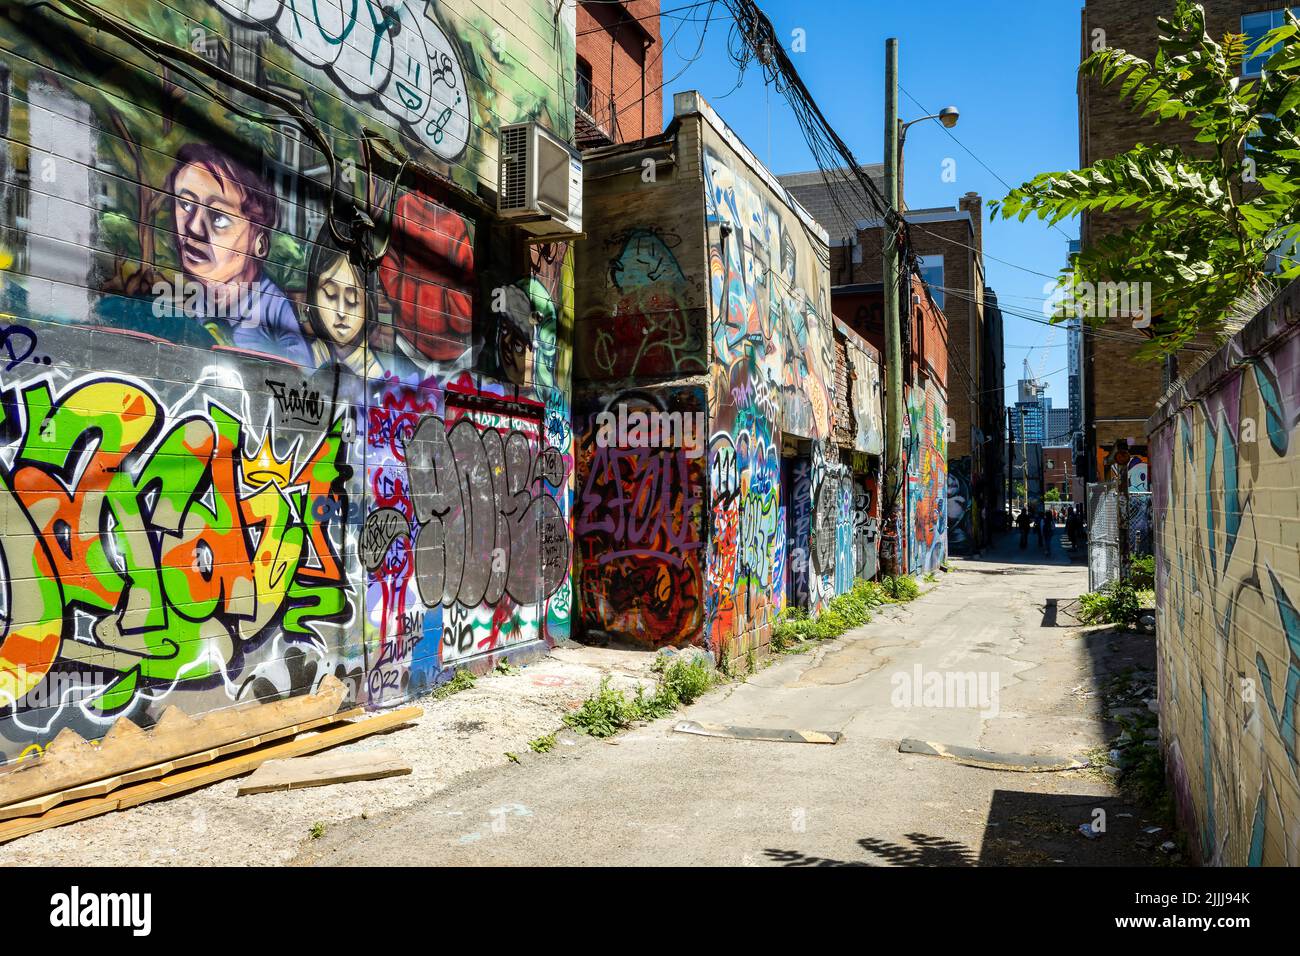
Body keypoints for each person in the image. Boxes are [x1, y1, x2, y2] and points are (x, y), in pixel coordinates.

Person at [163, 142, 311, 366]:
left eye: (218, 217)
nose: (194, 227)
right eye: (186, 204)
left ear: (259, 243)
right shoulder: (191, 302)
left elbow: (302, 382)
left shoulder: (272, 306)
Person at [305, 231, 385, 378]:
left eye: (352, 300)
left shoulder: (377, 378)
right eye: (330, 294)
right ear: (314, 295)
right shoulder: (304, 357)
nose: (341, 312)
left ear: (369, 305)